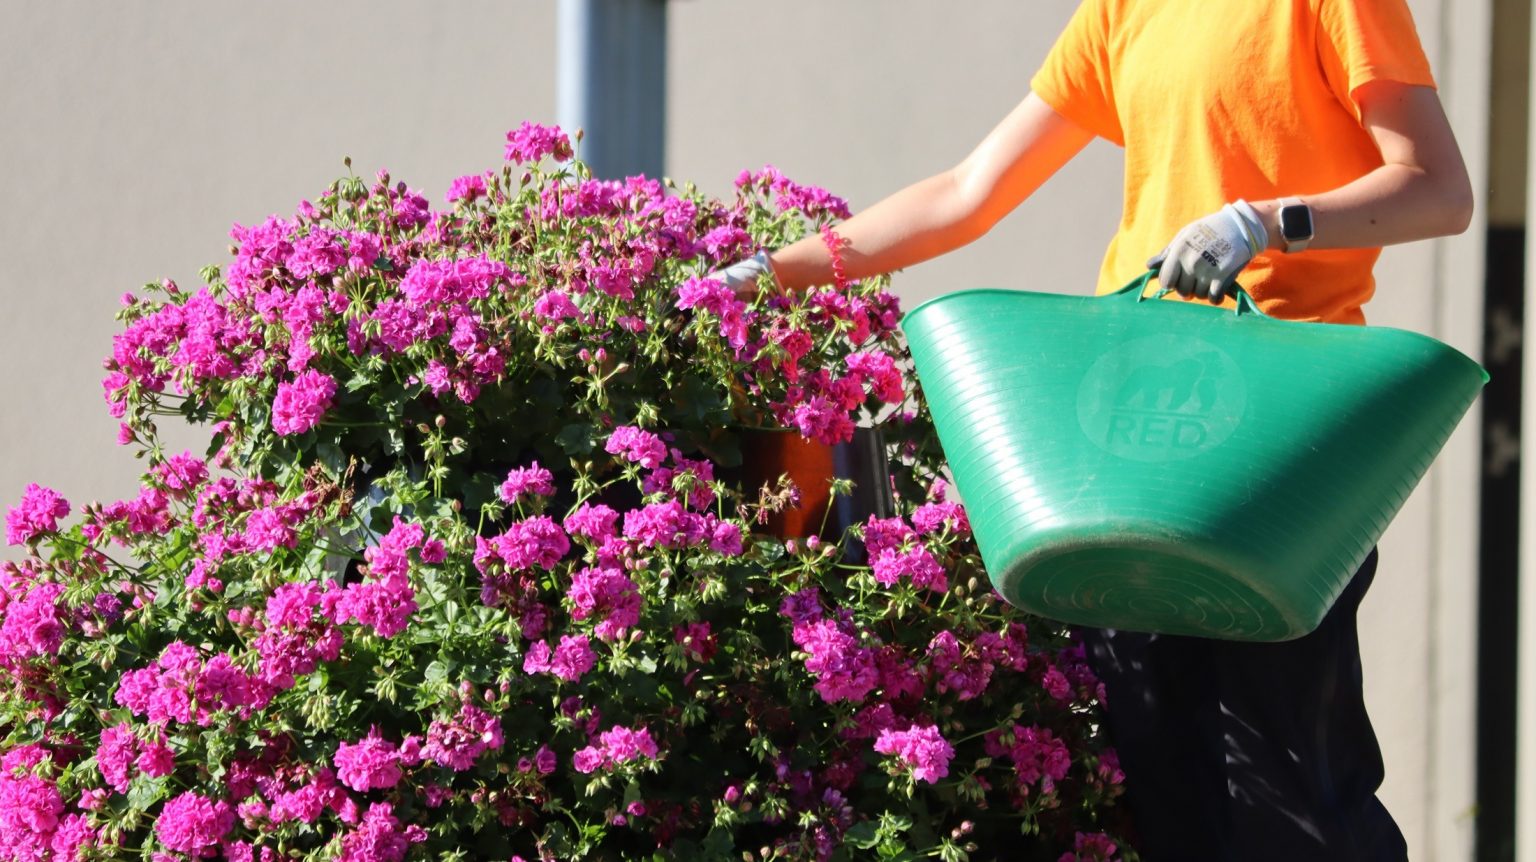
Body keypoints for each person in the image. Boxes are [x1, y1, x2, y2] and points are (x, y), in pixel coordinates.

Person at [714, 1, 1473, 859]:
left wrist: (1264, 223)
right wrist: (766, 272)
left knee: (1295, 800)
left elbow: (1438, 190)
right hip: (1128, 448)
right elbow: (967, 193)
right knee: (1164, 790)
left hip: (1278, 454)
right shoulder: (1125, 9)